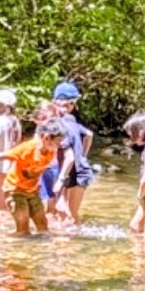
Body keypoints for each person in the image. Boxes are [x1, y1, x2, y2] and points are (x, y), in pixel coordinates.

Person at [49, 83, 98, 226]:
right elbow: (89, 135)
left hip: (77, 173)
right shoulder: (71, 120)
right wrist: (83, 155)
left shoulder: (60, 125)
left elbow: (69, 157)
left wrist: (60, 180)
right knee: (61, 209)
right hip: (74, 171)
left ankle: (72, 241)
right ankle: (65, 238)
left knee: (69, 213)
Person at [4, 118, 59, 235]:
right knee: (23, 228)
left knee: (43, 225)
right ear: (46, 138)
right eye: (57, 142)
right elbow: (3, 155)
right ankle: (7, 246)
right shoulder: (27, 148)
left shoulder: (51, 150)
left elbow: (39, 168)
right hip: (15, 189)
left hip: (33, 191)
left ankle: (40, 250)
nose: (59, 145)